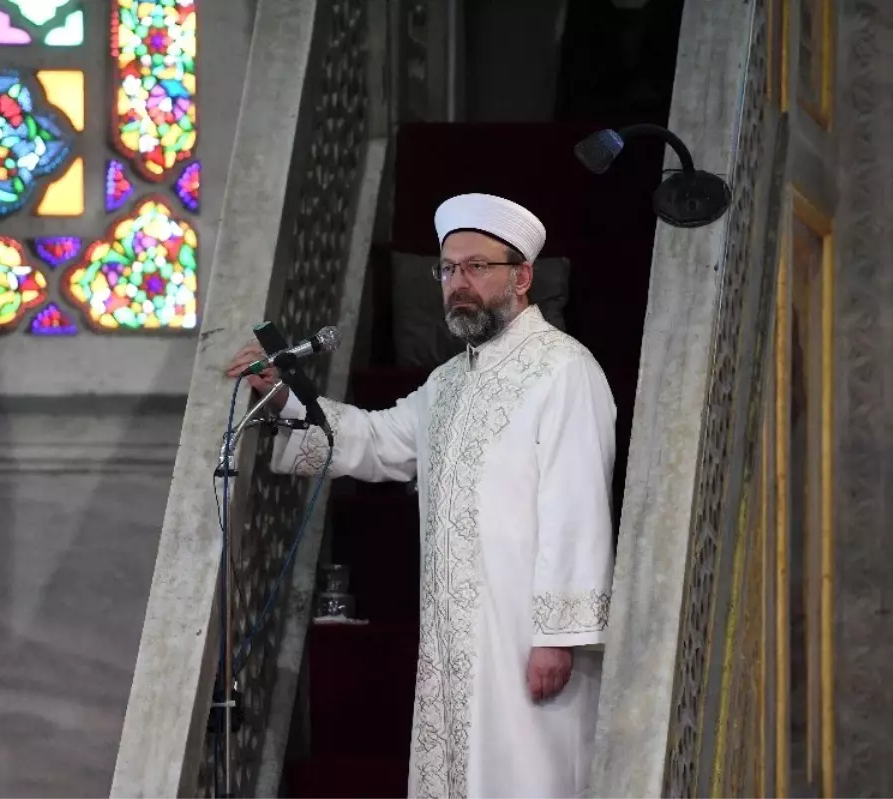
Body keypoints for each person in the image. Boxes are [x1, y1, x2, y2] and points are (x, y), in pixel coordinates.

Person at [227, 193, 617, 799]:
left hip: (526, 635)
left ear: (522, 277)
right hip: (455, 635)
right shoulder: (449, 381)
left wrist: (556, 639)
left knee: (530, 776)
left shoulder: (565, 369)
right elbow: (378, 440)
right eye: (448, 269)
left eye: (476, 268)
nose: (458, 283)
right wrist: (284, 397)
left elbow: (577, 506)